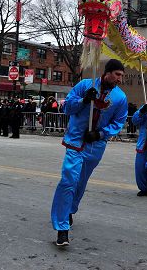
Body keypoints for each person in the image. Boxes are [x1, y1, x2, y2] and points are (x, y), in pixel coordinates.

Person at [51, 59, 128, 246]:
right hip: (76, 141)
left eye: (122, 76)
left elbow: (118, 122)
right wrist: (84, 100)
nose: (119, 79)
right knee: (68, 180)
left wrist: (100, 133)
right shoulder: (85, 85)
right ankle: (62, 229)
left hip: (95, 146)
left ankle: (70, 210)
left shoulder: (120, 97)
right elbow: (67, 108)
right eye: (117, 75)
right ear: (108, 72)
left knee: (80, 182)